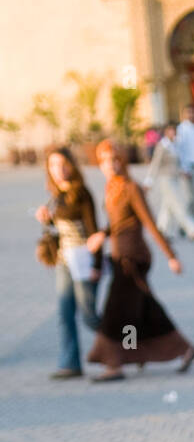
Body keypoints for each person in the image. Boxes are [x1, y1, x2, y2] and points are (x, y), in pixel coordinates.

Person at [86, 140, 194, 381]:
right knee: (146, 309)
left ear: (123, 161)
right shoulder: (111, 187)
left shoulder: (131, 188)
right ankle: (183, 349)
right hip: (119, 256)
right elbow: (118, 223)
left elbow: (149, 222)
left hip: (133, 259)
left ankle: (113, 363)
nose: (110, 165)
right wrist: (102, 235)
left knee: (115, 311)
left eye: (115, 159)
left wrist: (171, 256)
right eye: (105, 161)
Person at [35, 147, 101, 380]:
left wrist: (97, 265)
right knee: (65, 313)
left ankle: (131, 345)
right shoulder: (56, 194)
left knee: (90, 315)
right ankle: (70, 363)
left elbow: (94, 232)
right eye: (53, 165)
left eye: (63, 164)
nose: (59, 170)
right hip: (64, 261)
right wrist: (47, 217)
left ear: (72, 165)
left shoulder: (81, 193)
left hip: (84, 261)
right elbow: (62, 224)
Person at [143, 122, 194, 241]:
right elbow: (155, 164)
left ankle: (162, 231)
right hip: (166, 180)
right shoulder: (162, 146)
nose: (173, 133)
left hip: (175, 179)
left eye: (174, 130)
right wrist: (149, 182)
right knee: (179, 205)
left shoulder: (175, 145)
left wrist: (184, 171)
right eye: (170, 130)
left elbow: (179, 162)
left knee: (168, 207)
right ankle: (193, 230)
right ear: (165, 132)